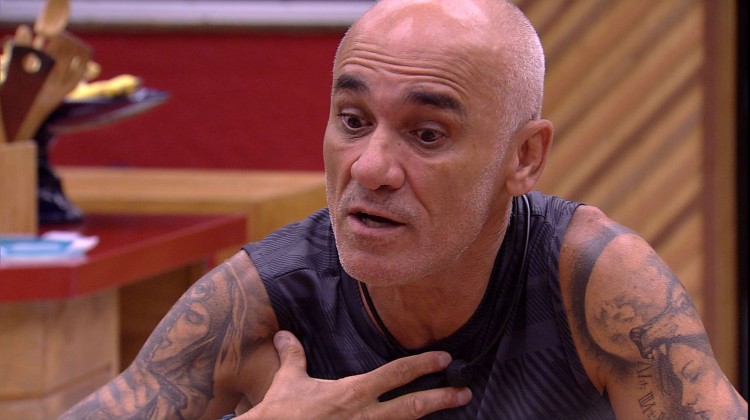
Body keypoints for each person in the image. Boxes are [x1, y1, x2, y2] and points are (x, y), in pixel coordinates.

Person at [60, 0, 748, 418]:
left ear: (524, 157)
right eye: (353, 121)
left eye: (427, 134)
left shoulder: (595, 283)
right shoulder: (261, 301)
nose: (370, 168)